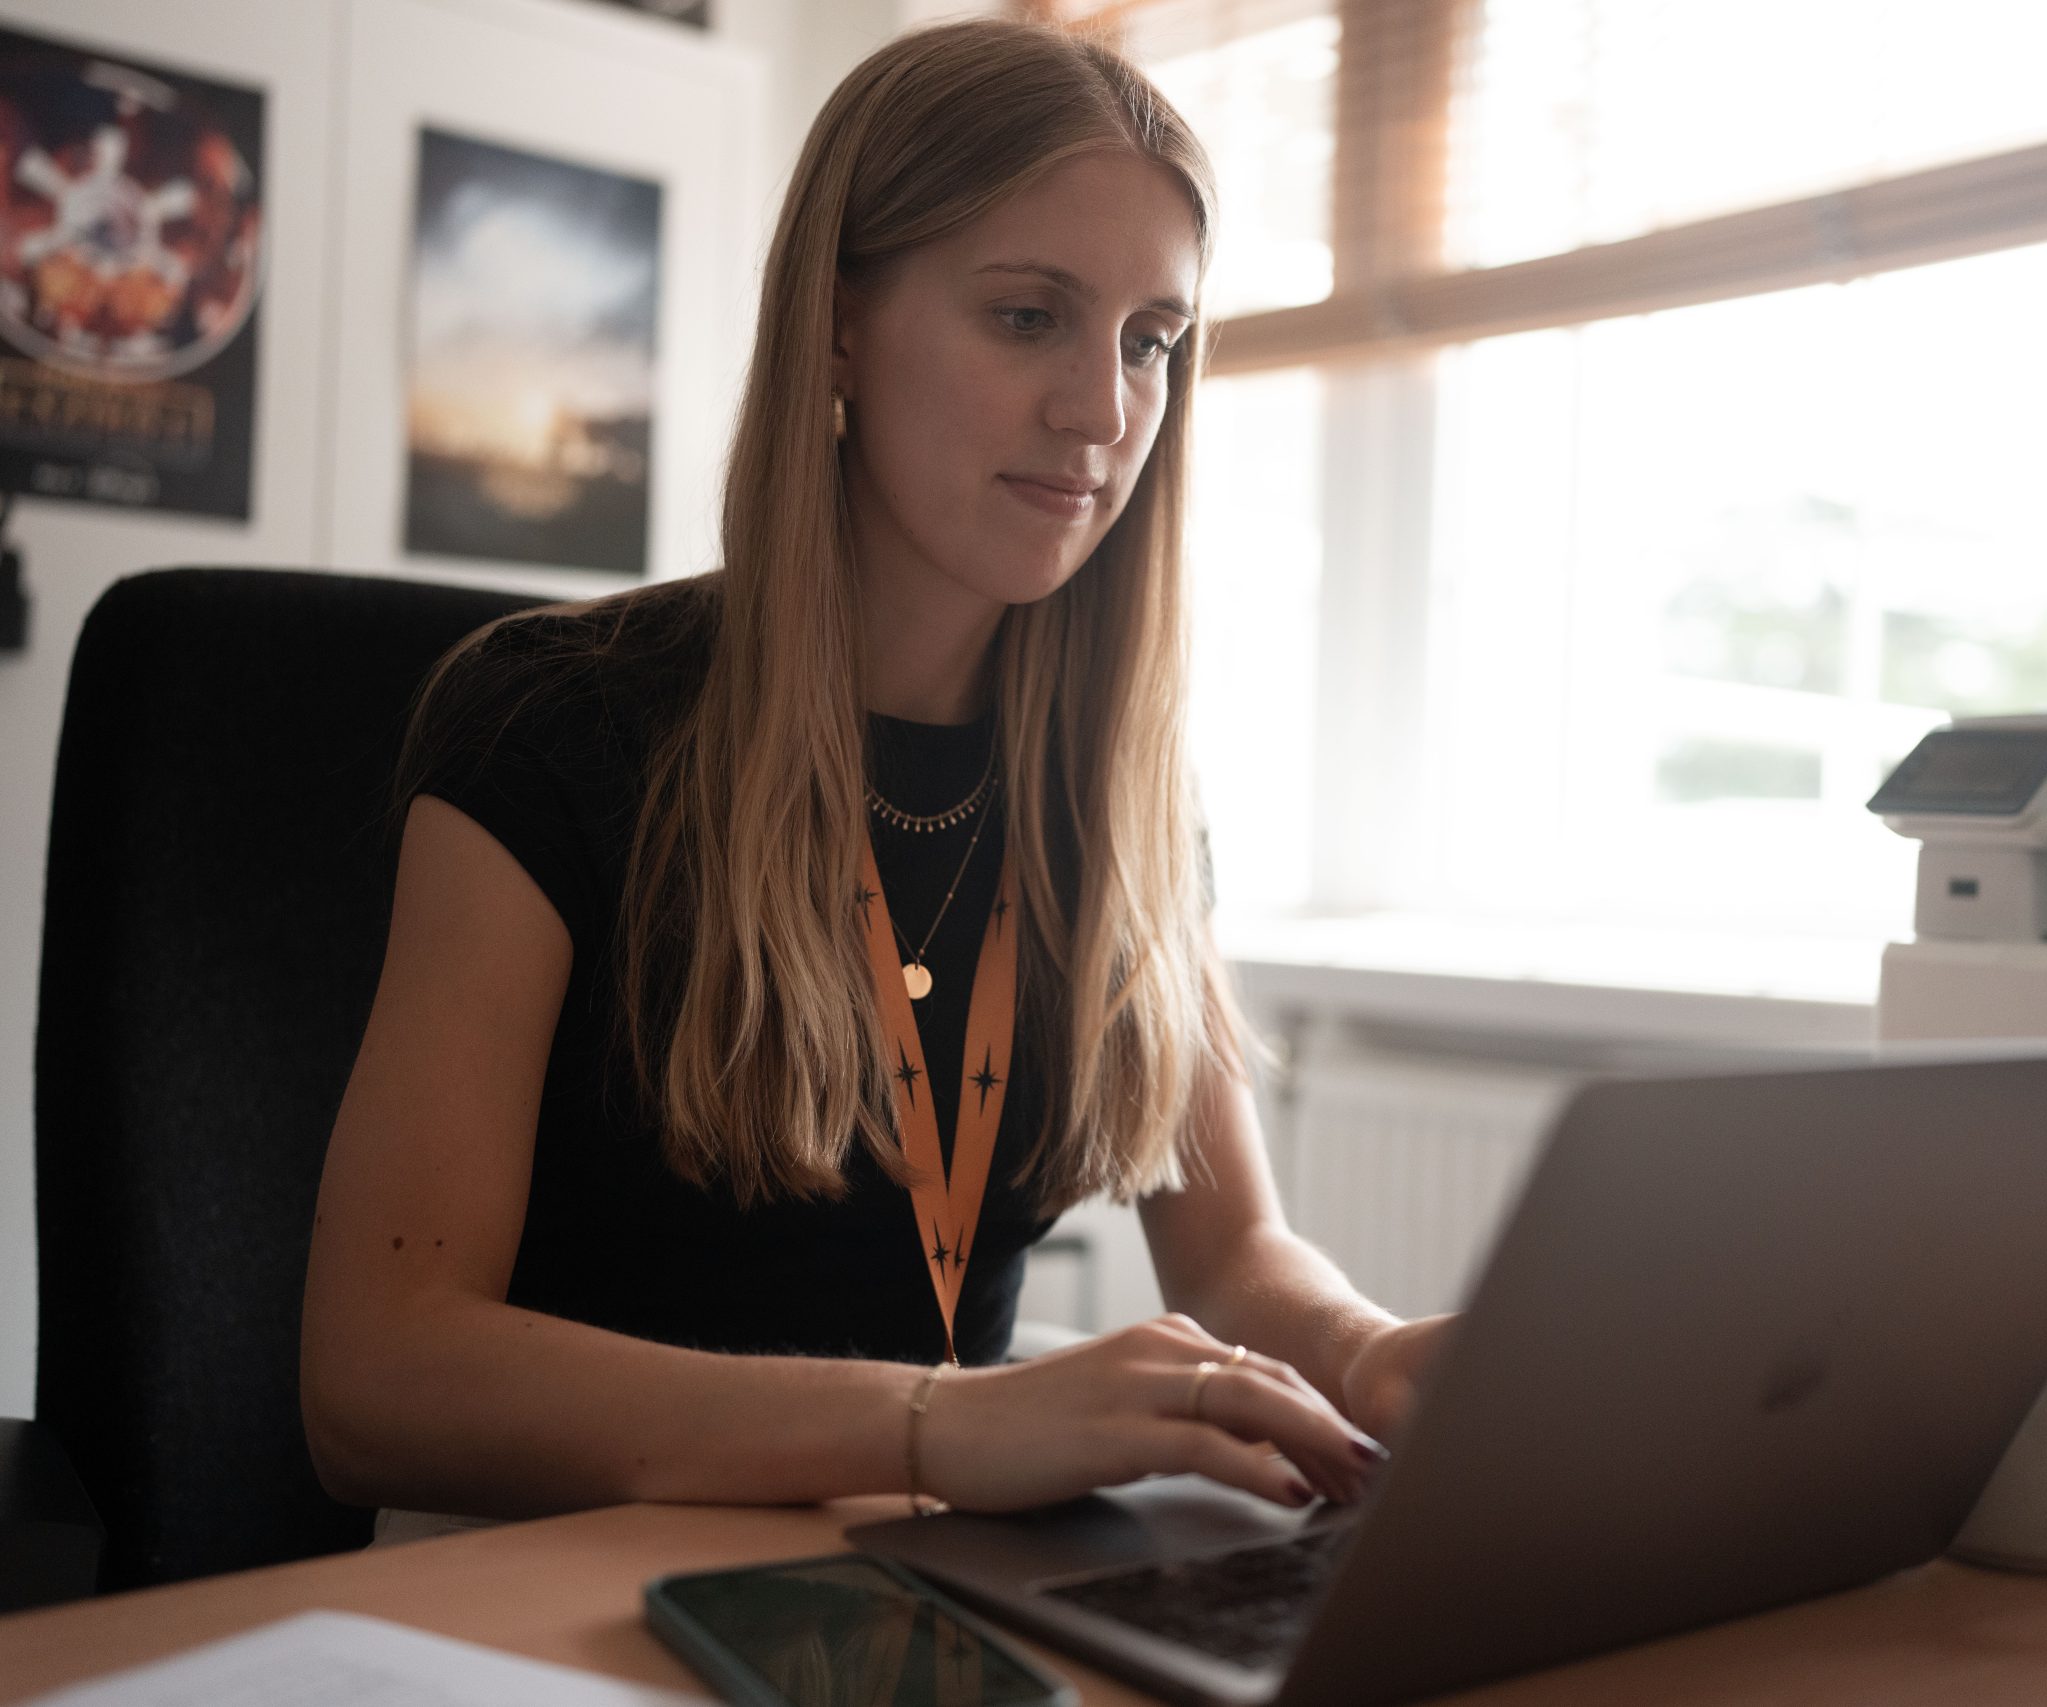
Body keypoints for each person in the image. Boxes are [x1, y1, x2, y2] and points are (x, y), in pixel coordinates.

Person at [300, 18, 1445, 1532]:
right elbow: (377, 1378)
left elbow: (1233, 1262)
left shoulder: (1122, 789)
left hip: (920, 1589)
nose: (1104, 413)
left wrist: (1372, 1359)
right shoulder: (549, 730)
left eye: (1151, 341)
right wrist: (929, 1424)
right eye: (1030, 317)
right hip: (553, 1584)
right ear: (840, 324)